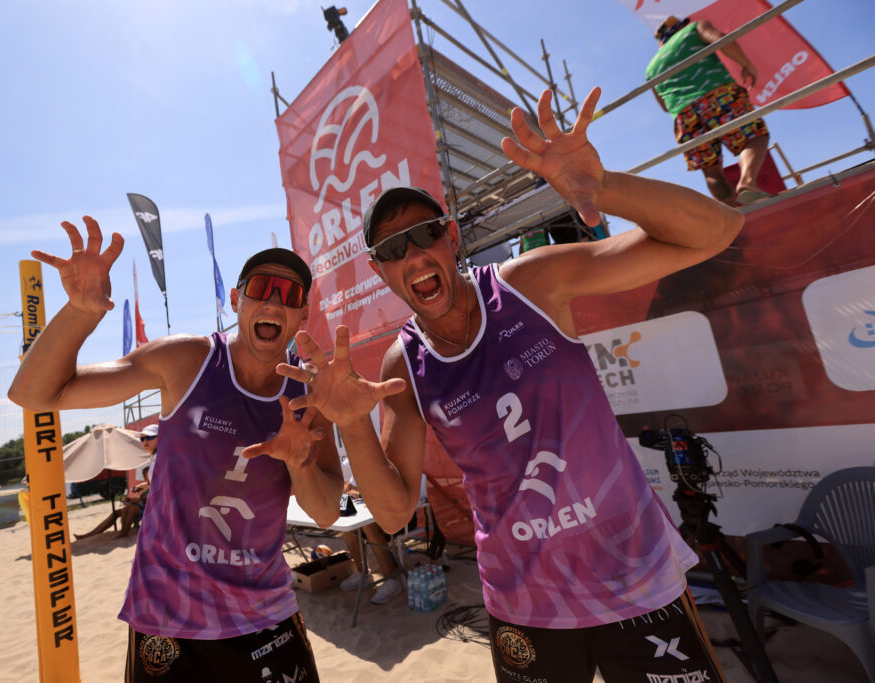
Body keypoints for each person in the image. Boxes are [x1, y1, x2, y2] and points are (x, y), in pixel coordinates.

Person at [280, 89, 740, 682]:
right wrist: (350, 424)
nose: (413, 255)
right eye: (393, 248)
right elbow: (392, 514)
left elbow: (717, 230)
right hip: (526, 604)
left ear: (450, 237)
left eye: (424, 234)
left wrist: (604, 189)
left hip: (635, 577)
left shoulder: (529, 284)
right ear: (380, 269)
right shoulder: (404, 363)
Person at [8, 218, 342, 683]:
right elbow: (33, 393)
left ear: (303, 315)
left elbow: (325, 512)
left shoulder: (308, 394)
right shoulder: (188, 360)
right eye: (260, 288)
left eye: (288, 294)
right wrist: (80, 312)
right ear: (236, 300)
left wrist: (301, 463)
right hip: (168, 620)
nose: (272, 302)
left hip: (264, 617)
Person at [646, 15, 772, 206]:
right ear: (679, 27)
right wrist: (746, 64)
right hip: (718, 95)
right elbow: (720, 39)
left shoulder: (651, 68)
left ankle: (731, 211)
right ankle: (747, 182)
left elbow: (664, 106)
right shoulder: (693, 29)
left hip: (683, 115)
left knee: (710, 168)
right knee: (755, 136)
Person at [337, 481, 402, 605]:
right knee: (348, 521)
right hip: (374, 507)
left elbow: (391, 492)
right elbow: (349, 485)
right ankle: (362, 573)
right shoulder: (359, 468)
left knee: (369, 526)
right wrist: (348, 490)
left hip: (399, 511)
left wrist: (361, 494)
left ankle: (392, 580)